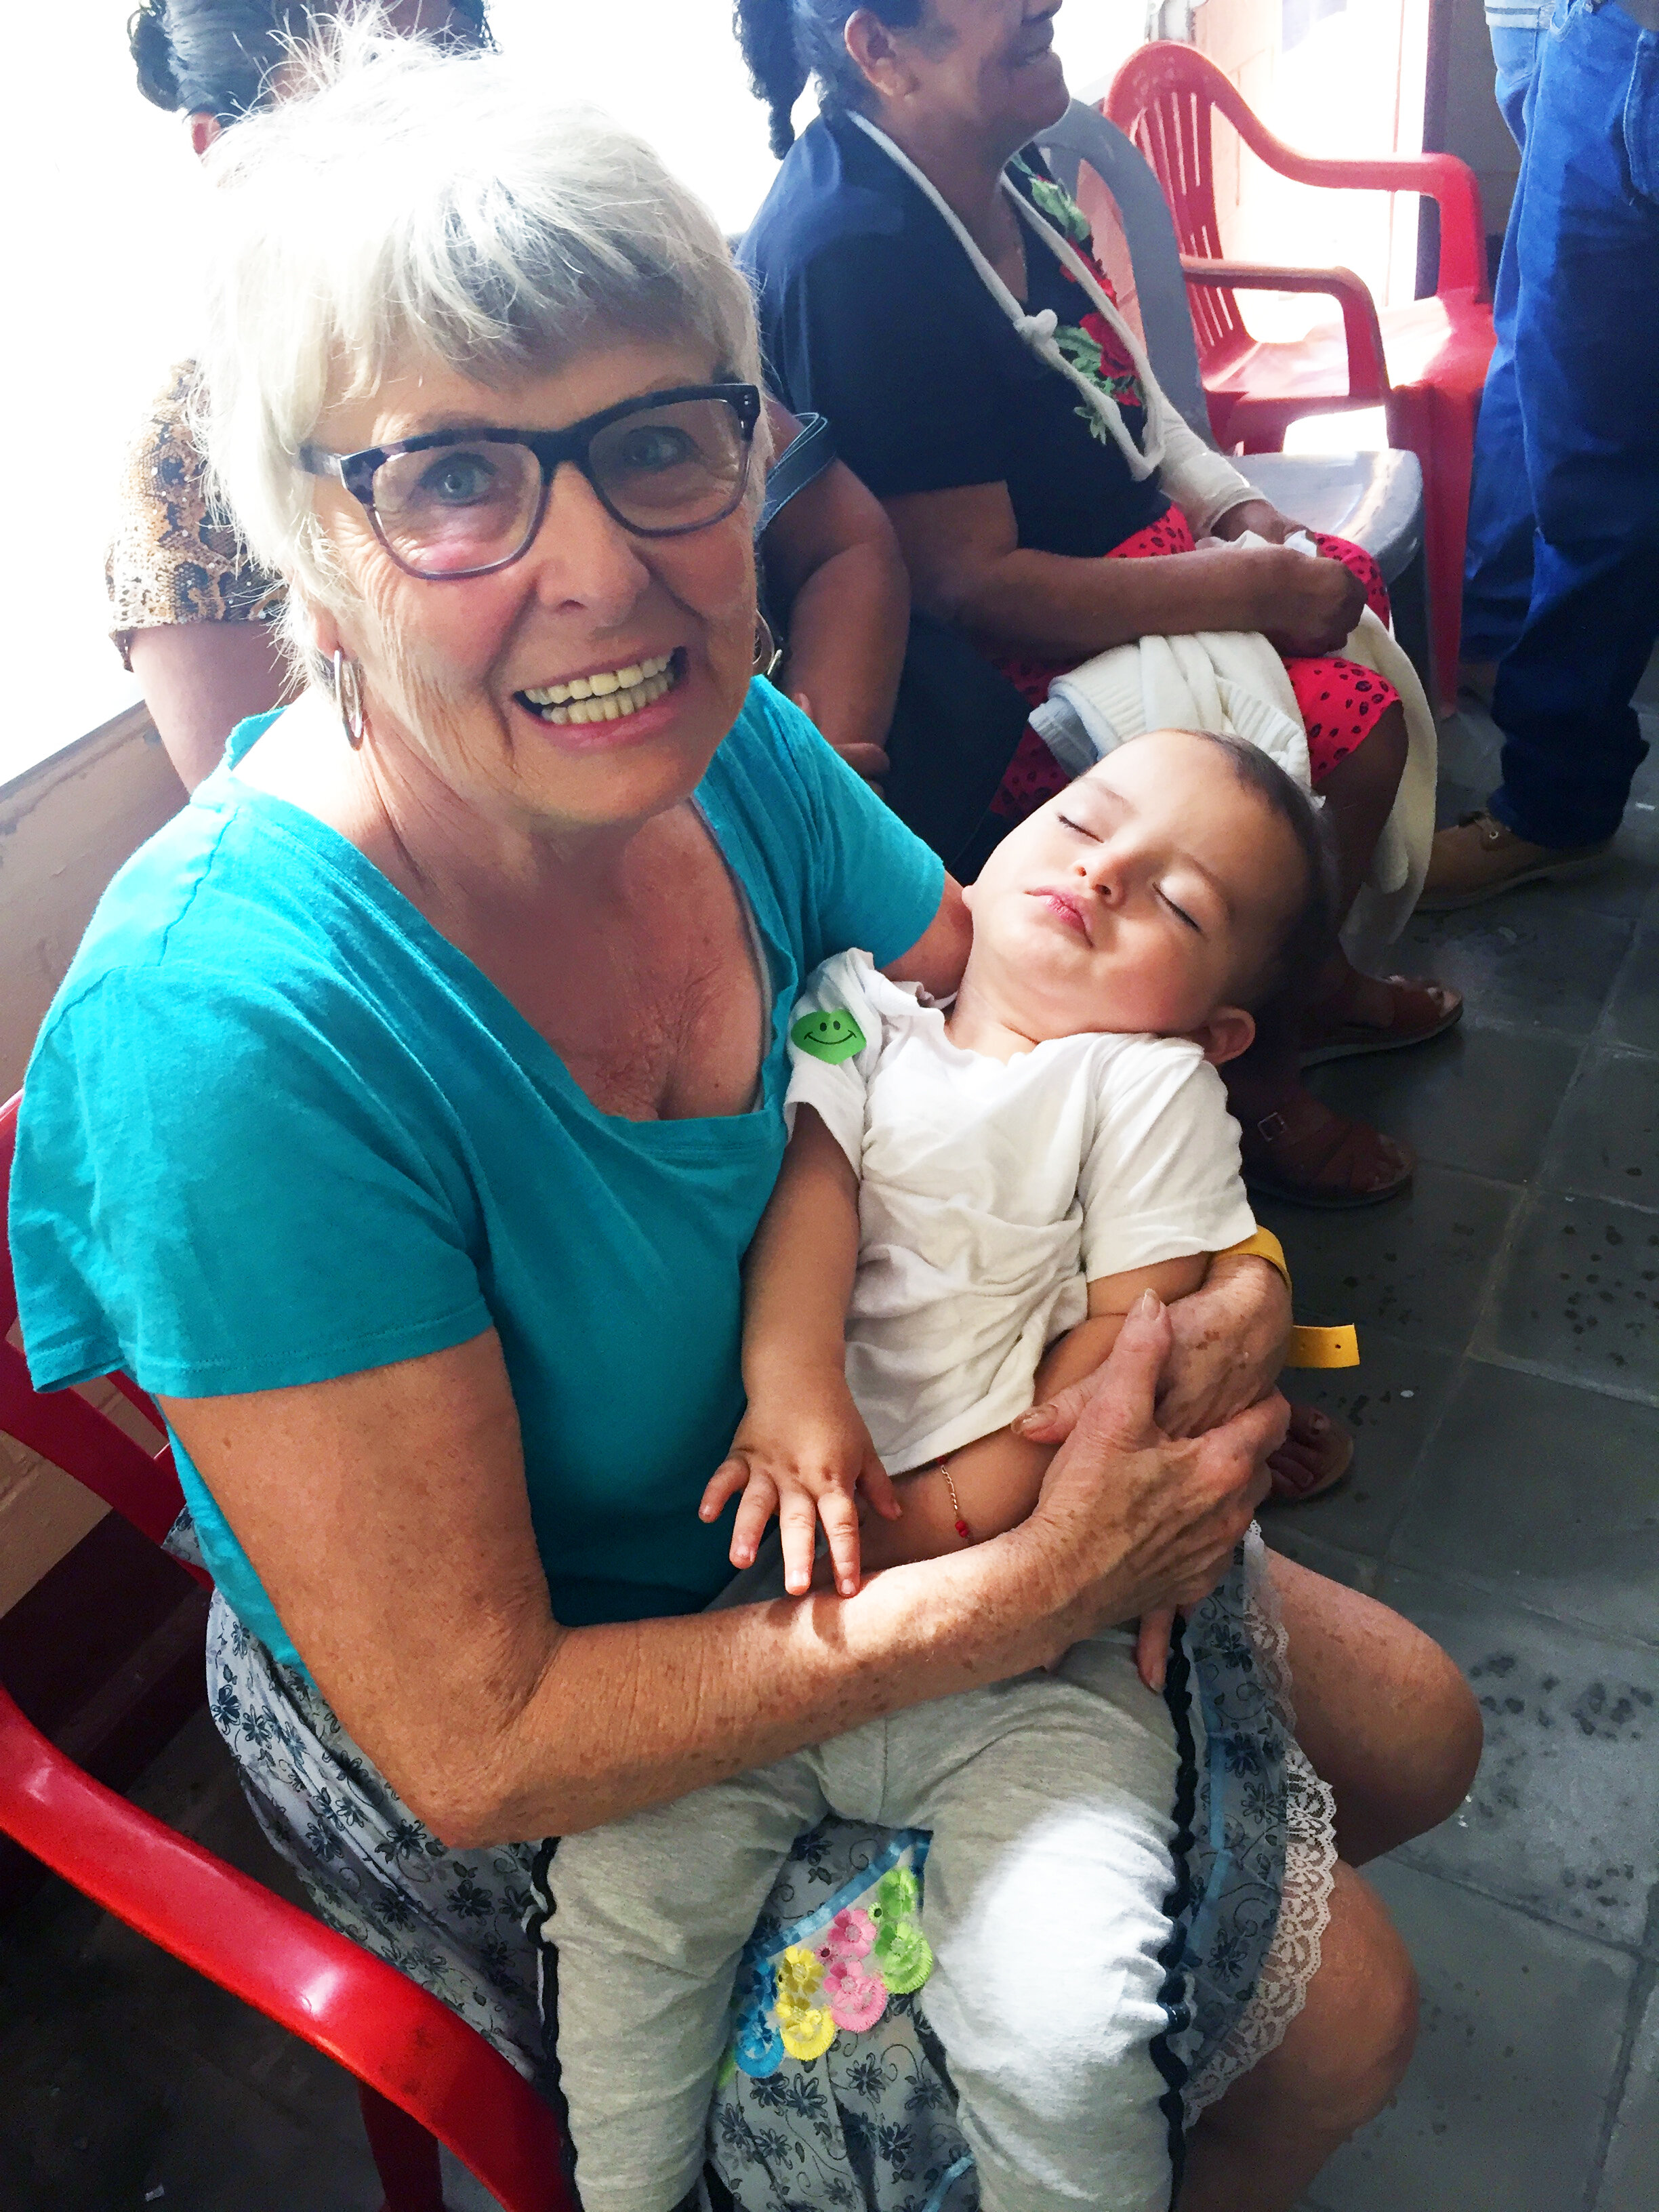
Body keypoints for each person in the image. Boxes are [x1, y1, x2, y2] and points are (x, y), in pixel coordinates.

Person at [10, 28, 1477, 2209]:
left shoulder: (721, 744)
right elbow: (480, 1732)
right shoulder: (239, 1034)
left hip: (899, 1477)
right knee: (1334, 2002)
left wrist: (1216, 1293)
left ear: (750, 444)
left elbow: (1007, 998)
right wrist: (1021, 1575)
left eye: (660, 445)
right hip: (591, 1723)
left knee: (1430, 1727)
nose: (604, 572)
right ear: (314, 545)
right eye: (456, 478)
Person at [547, 728, 1349, 2212]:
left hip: (1037, 1662)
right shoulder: (857, 1008)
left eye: (1177, 906)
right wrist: (793, 1396)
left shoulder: (1140, 1084)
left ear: (1218, 1026)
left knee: (1067, 2019)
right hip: (775, 1617)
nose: (1103, 873)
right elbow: (813, 1191)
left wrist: (951, 1526)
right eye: (1085, 818)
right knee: (621, 1897)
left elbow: (1118, 1365)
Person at [736, 0, 1460, 1220]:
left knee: (1341, 608)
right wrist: (1242, 587)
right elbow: (971, 585)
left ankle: (1299, 971)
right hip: (1005, 662)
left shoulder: (996, 160)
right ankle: (1257, 1070)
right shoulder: (855, 250)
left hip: (1126, 567)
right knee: (1345, 731)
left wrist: (1237, 516)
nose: (1043, 3)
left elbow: (1123, 391)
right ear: (878, 50)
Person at [111, 0, 908, 794]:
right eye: (452, 479)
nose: (603, 580)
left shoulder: (586, 308)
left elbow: (844, 540)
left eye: (453, 69)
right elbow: (297, 814)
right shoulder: (186, 462)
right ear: (221, 153)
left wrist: (820, 796)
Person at [1425, 0, 1658, 908]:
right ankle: (1510, 654)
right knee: (1545, 372)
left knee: (1595, 462)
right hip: (1586, 30)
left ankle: (1559, 798)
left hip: (1615, 37)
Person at [1458, 0, 1551, 693]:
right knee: (1549, 333)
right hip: (1578, 22)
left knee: (1546, 329)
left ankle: (1493, 622)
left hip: (1542, 19)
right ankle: (1492, 627)